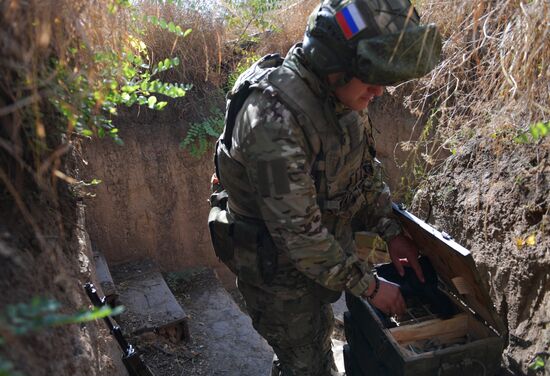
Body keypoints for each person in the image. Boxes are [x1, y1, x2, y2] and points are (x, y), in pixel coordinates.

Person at [209, 0, 441, 374]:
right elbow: (300, 237)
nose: (379, 92)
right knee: (305, 363)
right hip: (278, 278)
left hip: (317, 261)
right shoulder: (272, 119)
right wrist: (371, 287)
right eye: (371, 79)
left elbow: (363, 173)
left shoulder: (340, 95)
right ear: (334, 65)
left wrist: (392, 230)